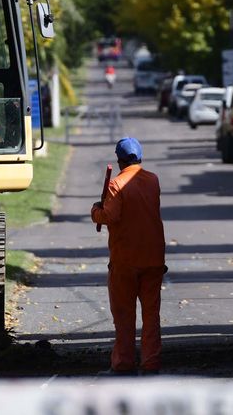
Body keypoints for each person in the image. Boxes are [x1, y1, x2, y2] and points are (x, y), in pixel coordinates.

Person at [90, 137, 165, 375]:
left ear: (120, 160)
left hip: (125, 261)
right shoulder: (153, 180)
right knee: (151, 314)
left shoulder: (115, 185)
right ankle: (150, 362)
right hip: (153, 258)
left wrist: (96, 211)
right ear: (140, 157)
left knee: (124, 314)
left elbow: (110, 216)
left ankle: (123, 363)